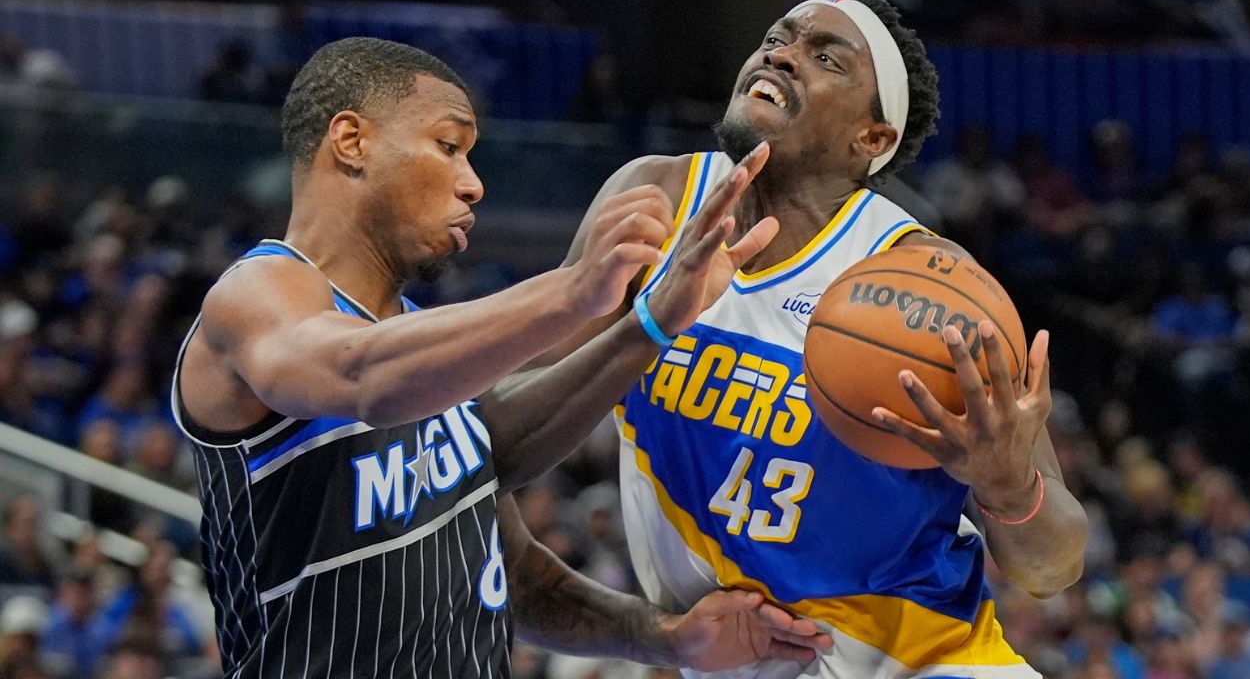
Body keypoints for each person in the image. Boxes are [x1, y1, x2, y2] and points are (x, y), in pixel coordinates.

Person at [172, 37, 829, 678]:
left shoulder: (426, 348)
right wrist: (573, 291)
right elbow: (360, 374)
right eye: (448, 146)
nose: (473, 185)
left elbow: (520, 577)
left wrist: (667, 639)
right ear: (352, 141)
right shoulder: (255, 294)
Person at [529, 0, 1088, 678]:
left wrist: (1010, 490)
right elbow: (514, 416)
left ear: (872, 137)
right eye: (776, 39)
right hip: (724, 657)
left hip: (923, 664)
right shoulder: (657, 199)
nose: (782, 55)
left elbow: (1054, 568)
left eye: (826, 58)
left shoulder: (929, 284)